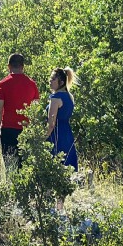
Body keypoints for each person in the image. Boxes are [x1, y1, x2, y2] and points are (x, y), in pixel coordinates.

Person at [0, 53, 39, 168]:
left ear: (9, 66)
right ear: (23, 66)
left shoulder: (3, 84)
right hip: (26, 130)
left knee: (10, 166)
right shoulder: (32, 84)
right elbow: (36, 110)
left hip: (8, 130)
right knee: (26, 167)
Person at [47, 67, 78, 212]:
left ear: (60, 81)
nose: (50, 81)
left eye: (53, 79)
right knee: (64, 171)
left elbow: (51, 124)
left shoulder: (55, 99)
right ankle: (60, 207)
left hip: (56, 136)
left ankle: (49, 207)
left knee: (51, 169)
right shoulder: (69, 97)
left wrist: (41, 138)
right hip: (67, 135)